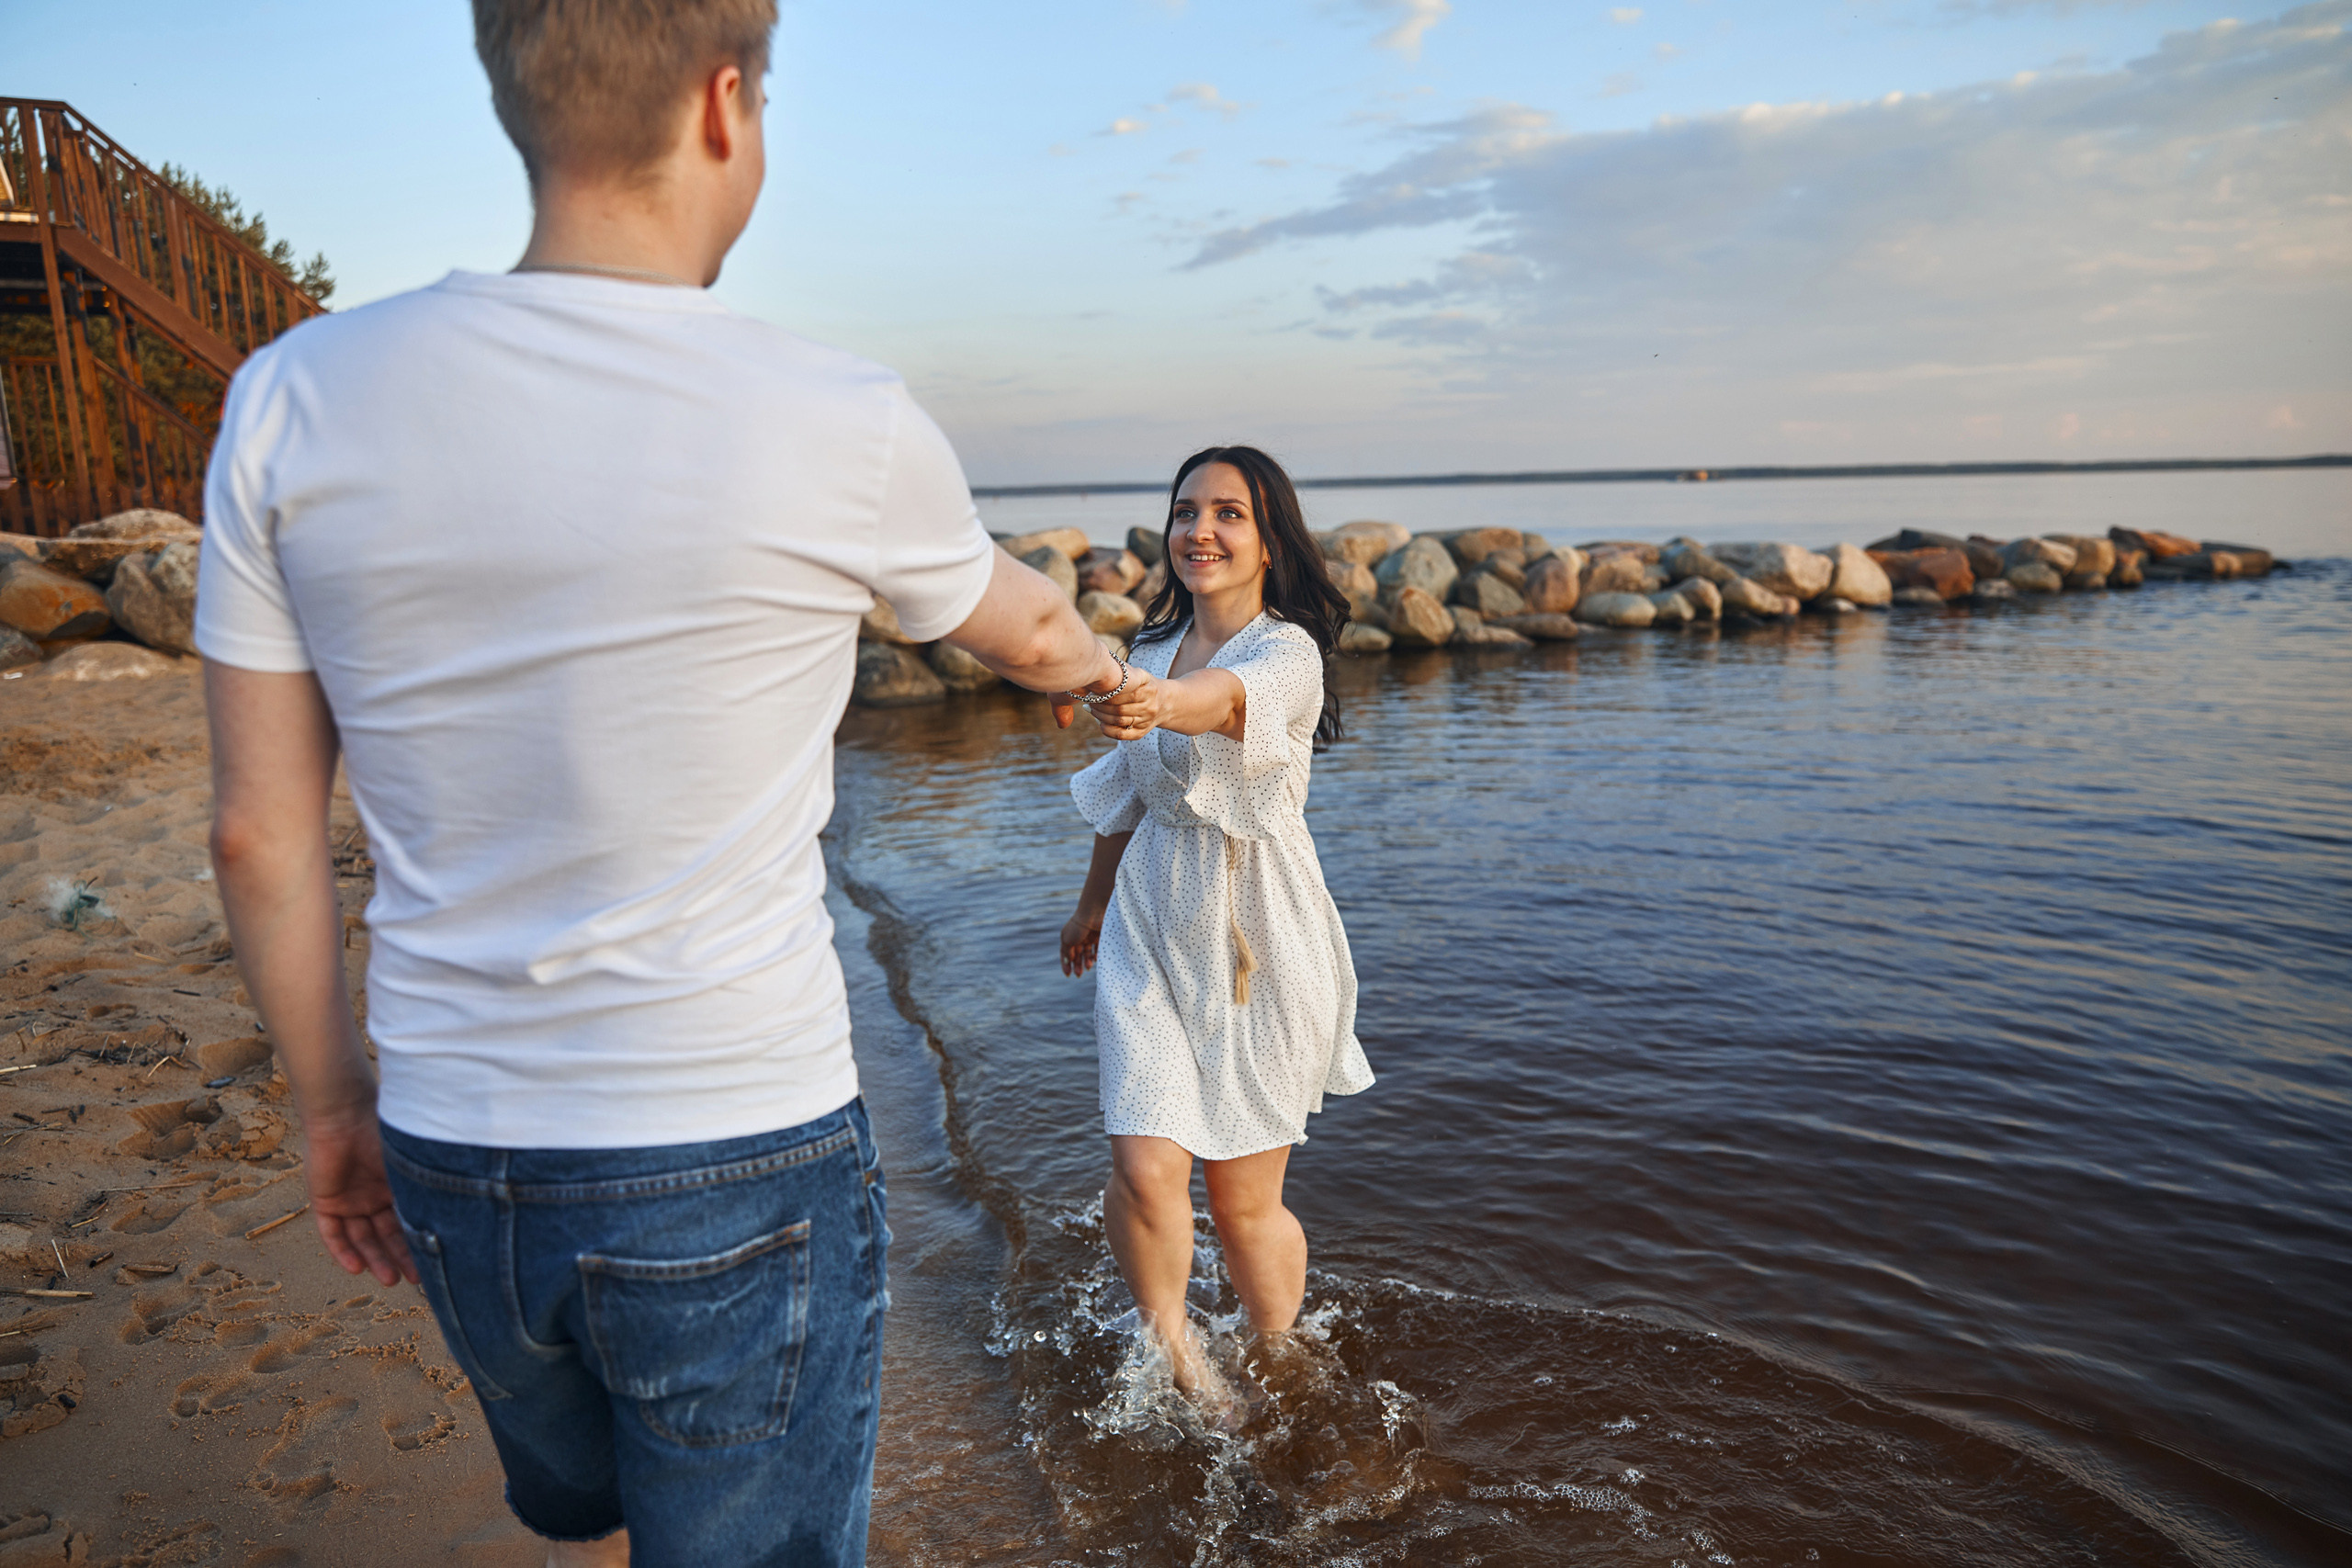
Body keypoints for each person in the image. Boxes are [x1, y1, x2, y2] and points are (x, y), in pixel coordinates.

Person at [195, 2, 1122, 1562]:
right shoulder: (834, 415)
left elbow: (258, 829)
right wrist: (1095, 661)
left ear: (516, 96)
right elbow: (1026, 627)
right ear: (722, 105)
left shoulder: (295, 396)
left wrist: (331, 1108)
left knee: (578, 1489)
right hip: (732, 1137)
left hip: (451, 1134)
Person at [1057, 446, 1375, 1398]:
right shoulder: (1148, 653)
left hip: (1260, 937)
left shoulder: (1286, 653)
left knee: (1241, 1200)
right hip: (1151, 921)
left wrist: (1146, 698)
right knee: (1146, 1160)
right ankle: (1181, 1363)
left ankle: (1277, 1356)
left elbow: (1219, 704)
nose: (1201, 529)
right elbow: (1126, 801)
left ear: (1270, 539)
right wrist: (1092, 899)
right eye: (1186, 510)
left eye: (1229, 512)